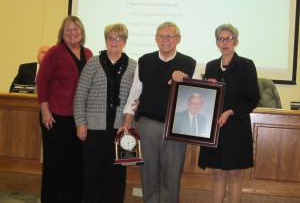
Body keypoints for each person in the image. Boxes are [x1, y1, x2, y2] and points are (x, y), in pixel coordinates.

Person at [120, 21, 202, 203]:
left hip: (176, 128)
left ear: (178, 39)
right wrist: (127, 121)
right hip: (147, 125)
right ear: (156, 39)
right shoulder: (144, 60)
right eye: (161, 36)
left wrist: (185, 80)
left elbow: (198, 97)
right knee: (148, 174)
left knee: (171, 177)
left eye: (170, 36)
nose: (165, 40)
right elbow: (135, 92)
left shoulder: (190, 63)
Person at [73, 23, 136, 203]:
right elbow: (80, 94)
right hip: (94, 129)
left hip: (122, 130)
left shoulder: (133, 66)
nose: (114, 41)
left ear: (125, 42)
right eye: (111, 37)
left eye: (119, 38)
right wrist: (80, 123)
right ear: (105, 40)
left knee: (117, 176)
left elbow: (137, 95)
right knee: (93, 174)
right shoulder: (93, 62)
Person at [198, 24, 260, 203]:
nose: (224, 42)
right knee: (216, 173)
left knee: (233, 173)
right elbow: (205, 99)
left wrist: (231, 112)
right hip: (214, 128)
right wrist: (208, 87)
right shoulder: (210, 66)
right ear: (216, 42)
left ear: (236, 41)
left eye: (228, 38)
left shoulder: (246, 65)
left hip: (236, 127)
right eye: (220, 39)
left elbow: (252, 99)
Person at [36, 16, 93, 203]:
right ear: (62, 33)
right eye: (68, 30)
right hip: (55, 117)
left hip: (79, 119)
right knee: (56, 165)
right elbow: (42, 82)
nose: (72, 33)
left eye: (75, 29)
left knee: (77, 164)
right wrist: (45, 111)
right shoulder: (55, 52)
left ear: (82, 32)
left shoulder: (89, 54)